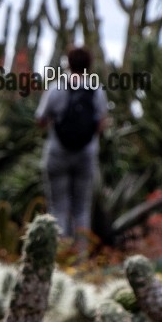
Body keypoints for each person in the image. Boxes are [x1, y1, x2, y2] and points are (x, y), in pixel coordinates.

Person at [35, 46, 109, 250]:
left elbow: (40, 119)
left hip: (58, 151)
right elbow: (102, 123)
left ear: (68, 63)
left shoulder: (57, 87)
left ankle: (60, 252)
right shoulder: (96, 90)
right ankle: (80, 258)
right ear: (89, 65)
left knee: (58, 205)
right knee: (82, 207)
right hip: (86, 153)